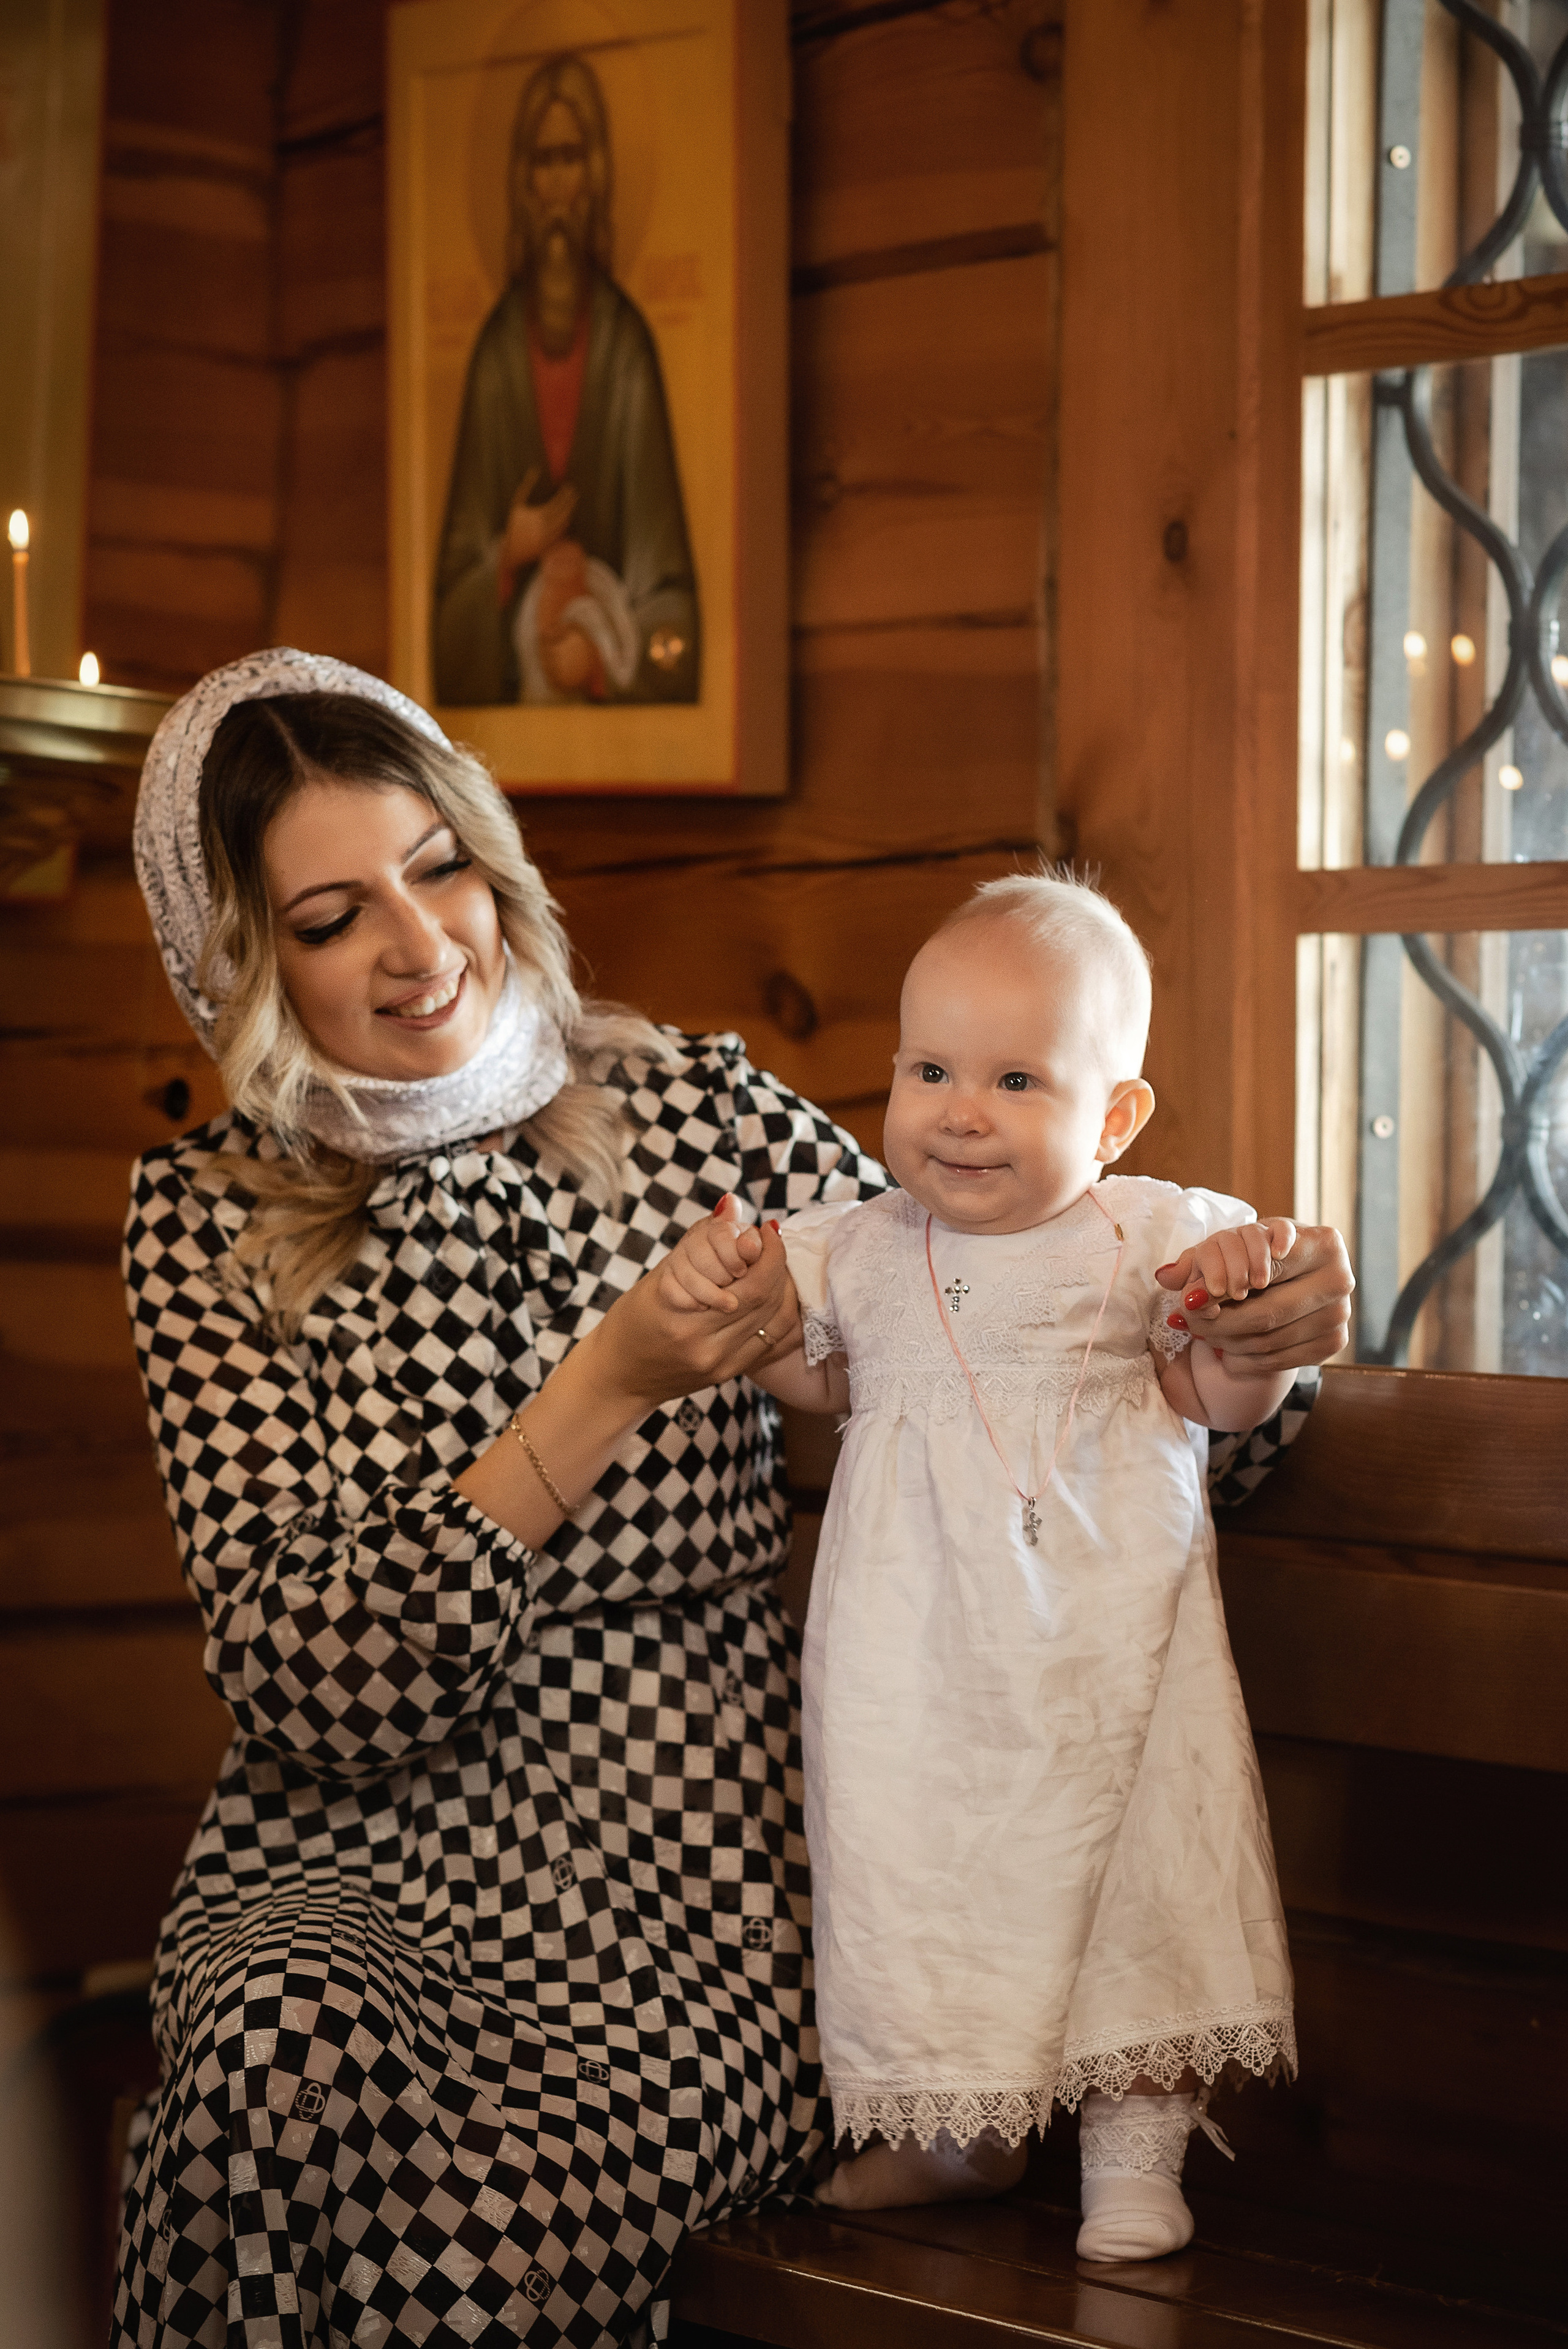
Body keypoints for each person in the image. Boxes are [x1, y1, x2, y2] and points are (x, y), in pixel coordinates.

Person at [114, 648, 1352, 2345]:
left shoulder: (695, 1107)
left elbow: (1031, 1323)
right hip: (344, 1852)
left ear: (495, 858)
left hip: (697, 1861)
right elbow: (314, 1692)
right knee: (258, 2083)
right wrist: (605, 1380)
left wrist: (1261, 1339)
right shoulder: (204, 1216)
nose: (418, 948)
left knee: (482, 2218)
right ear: (240, 963)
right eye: (329, 918)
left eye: (440, 865)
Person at [659, 872, 1340, 2266]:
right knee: (917, 1870)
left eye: (1014, 1076)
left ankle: (1132, 2152)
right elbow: (797, 1371)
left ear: (1113, 1114)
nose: (957, 1110)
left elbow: (1217, 1396)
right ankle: (952, 2129)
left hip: (1110, 1640)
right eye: (926, 1069)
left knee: (1130, 1871)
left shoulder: (1150, 1233)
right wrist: (735, 1312)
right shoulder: (858, 1242)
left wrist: (1237, 1309)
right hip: (915, 1647)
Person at [432, 51, 699, 709]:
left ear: (597, 171)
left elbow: (666, 586)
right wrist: (506, 555)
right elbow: (445, 623)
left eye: (571, 158)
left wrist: (605, 662)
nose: (558, 188)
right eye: (543, 162)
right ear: (523, 179)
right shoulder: (496, 355)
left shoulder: (626, 348)